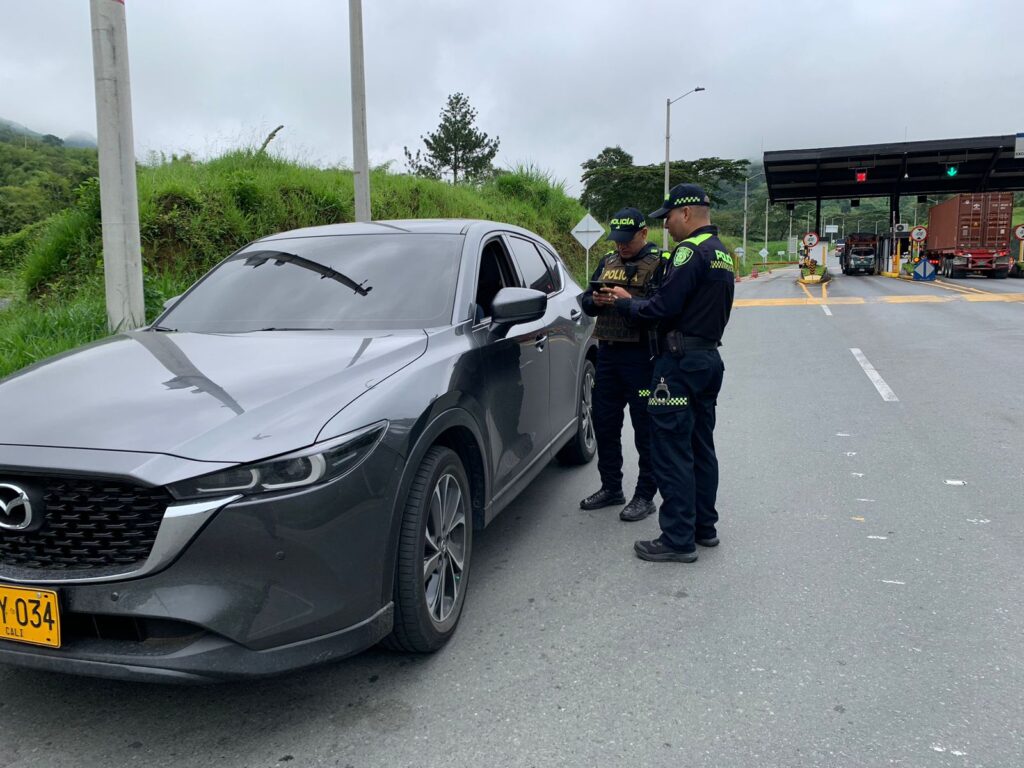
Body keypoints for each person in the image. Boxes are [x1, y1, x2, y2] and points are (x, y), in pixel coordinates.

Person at [604, 184, 734, 562]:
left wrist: (628, 305)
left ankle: (677, 538)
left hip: (677, 367)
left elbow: (662, 308)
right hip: (707, 361)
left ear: (687, 214)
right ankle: (703, 527)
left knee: (672, 449)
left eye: (670, 219)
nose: (668, 227)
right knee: (700, 446)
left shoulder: (688, 253)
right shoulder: (722, 253)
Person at [580, 207, 666, 522]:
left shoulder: (659, 264)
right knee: (604, 423)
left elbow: (663, 309)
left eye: (627, 240)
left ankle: (645, 495)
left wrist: (628, 300)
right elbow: (586, 301)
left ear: (644, 233)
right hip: (608, 354)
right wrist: (597, 301)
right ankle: (611, 487)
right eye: (617, 240)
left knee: (645, 429)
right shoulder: (608, 261)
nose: (621, 246)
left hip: (642, 358)